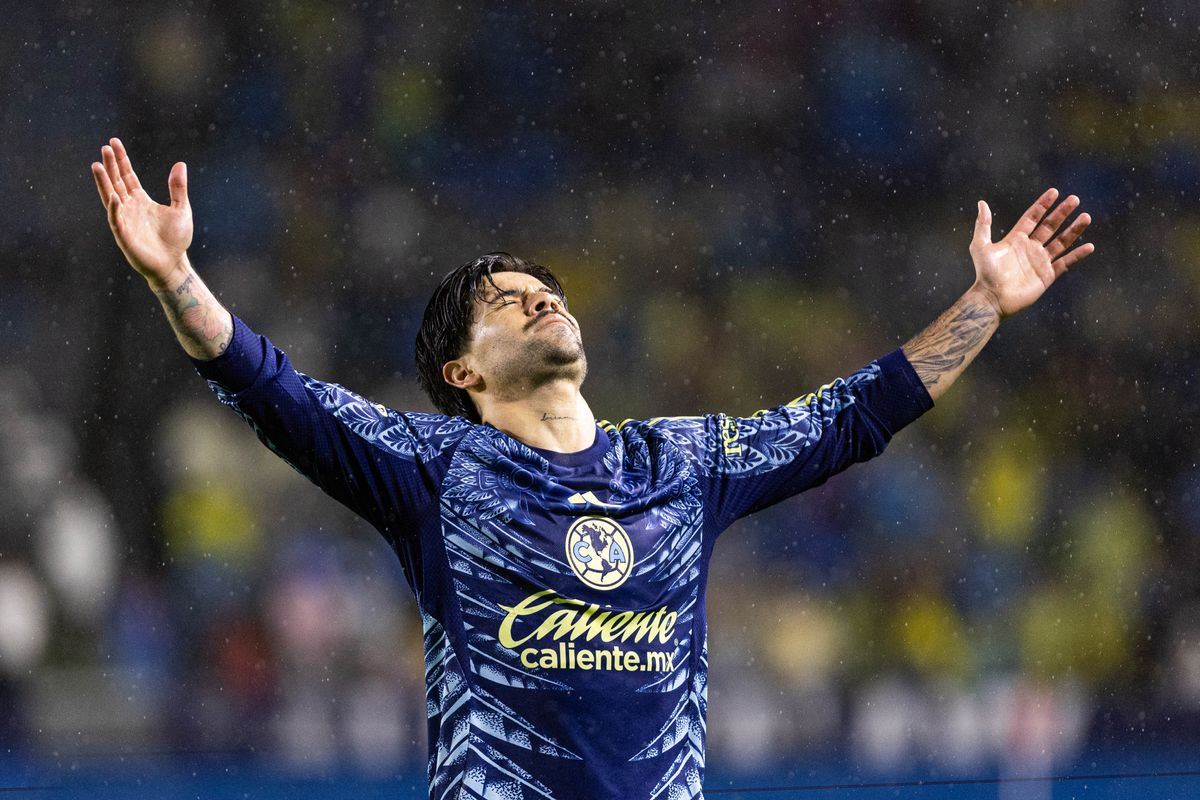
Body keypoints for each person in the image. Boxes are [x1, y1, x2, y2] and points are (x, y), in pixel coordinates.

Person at [91, 137, 1093, 799]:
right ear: (463, 369)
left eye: (548, 291)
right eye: (508, 300)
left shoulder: (684, 462)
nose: (540, 301)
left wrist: (985, 305)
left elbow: (854, 416)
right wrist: (177, 276)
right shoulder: (437, 470)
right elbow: (275, 392)